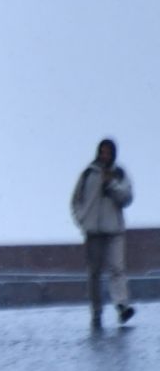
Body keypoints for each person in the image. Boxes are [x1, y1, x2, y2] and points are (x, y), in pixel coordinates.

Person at [71, 139, 135, 332]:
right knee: (94, 273)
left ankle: (122, 305)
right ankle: (96, 311)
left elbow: (127, 198)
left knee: (117, 268)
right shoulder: (88, 173)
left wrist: (112, 184)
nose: (105, 156)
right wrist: (82, 219)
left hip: (114, 230)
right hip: (93, 231)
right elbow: (75, 200)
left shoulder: (119, 173)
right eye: (103, 152)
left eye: (109, 152)